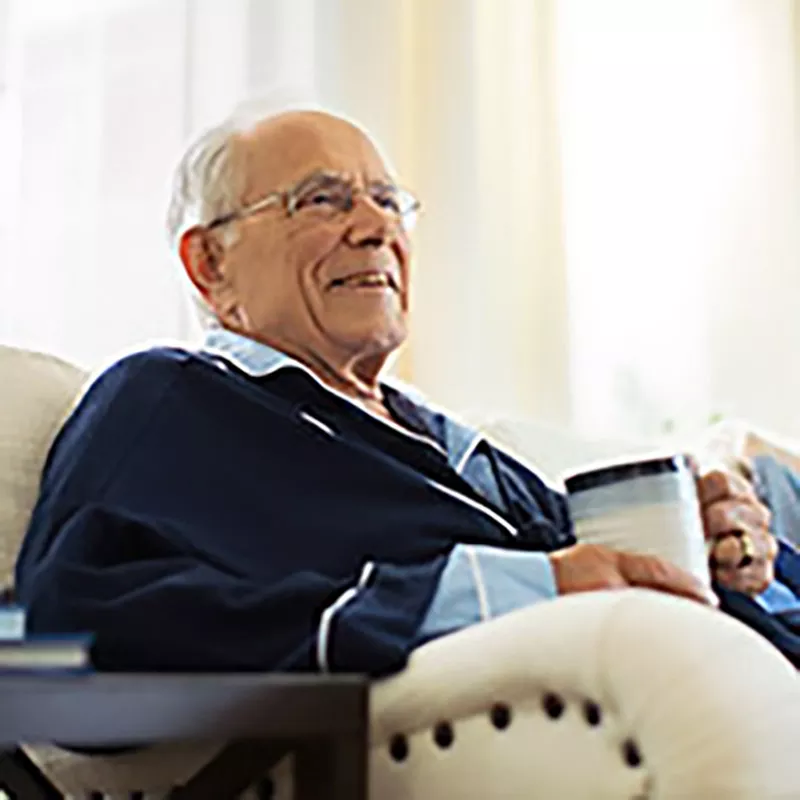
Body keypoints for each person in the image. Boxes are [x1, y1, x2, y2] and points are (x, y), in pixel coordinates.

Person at [14, 108, 799, 675]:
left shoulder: (441, 439)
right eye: (322, 199)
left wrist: (709, 547)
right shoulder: (172, 399)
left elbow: (602, 562)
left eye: (389, 201)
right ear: (209, 266)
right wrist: (529, 591)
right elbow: (72, 634)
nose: (375, 226)